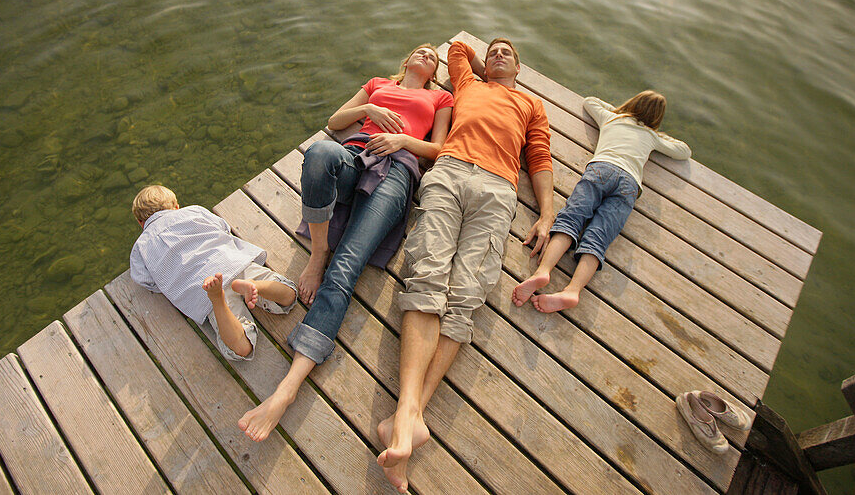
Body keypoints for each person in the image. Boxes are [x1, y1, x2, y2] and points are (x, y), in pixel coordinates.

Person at [237, 44, 454, 442]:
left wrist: (402, 142)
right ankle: (318, 251)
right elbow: (336, 121)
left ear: (435, 71)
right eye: (420, 51)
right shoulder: (376, 85)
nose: (427, 54)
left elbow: (439, 149)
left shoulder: (440, 97)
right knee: (320, 151)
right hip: (354, 157)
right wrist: (368, 111)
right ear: (406, 62)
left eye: (433, 56)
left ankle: (287, 390)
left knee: (347, 267)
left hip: (396, 171)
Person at [377, 38, 555, 492]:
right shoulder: (466, 83)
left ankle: (406, 417)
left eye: (508, 53)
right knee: (426, 277)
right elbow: (456, 46)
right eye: (492, 50)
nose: (497, 55)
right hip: (451, 171)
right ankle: (408, 421)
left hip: (497, 190)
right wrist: (484, 68)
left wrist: (548, 212)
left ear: (521, 66)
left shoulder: (531, 105)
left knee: (465, 297)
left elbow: (539, 157)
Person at [512, 90, 691, 312]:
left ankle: (543, 271)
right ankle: (572, 290)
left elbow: (590, 102)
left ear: (632, 102)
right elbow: (683, 151)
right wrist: (657, 133)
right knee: (599, 237)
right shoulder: (651, 136)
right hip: (628, 184)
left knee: (571, 219)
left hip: (601, 169)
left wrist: (621, 111)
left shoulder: (612, 118)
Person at [130, 185, 297, 361]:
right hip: (232, 261)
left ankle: (218, 300)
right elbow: (222, 227)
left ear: (141, 223)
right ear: (176, 206)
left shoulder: (140, 248)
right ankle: (254, 285)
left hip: (204, 289)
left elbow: (147, 281)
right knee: (289, 295)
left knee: (242, 349)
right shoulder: (193, 211)